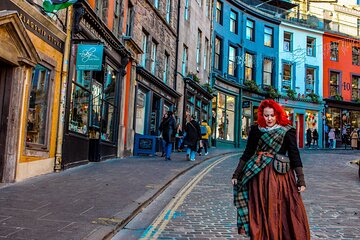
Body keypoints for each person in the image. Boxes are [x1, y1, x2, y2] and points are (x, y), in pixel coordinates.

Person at [231, 99, 310, 239]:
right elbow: (248, 152)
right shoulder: (256, 129)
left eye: (272, 115)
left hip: (279, 175)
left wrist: (301, 179)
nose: (269, 119)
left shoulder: (287, 130)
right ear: (262, 115)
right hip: (258, 175)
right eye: (266, 115)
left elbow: (294, 154)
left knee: (280, 207)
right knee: (259, 208)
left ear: (277, 115)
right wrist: (236, 173)